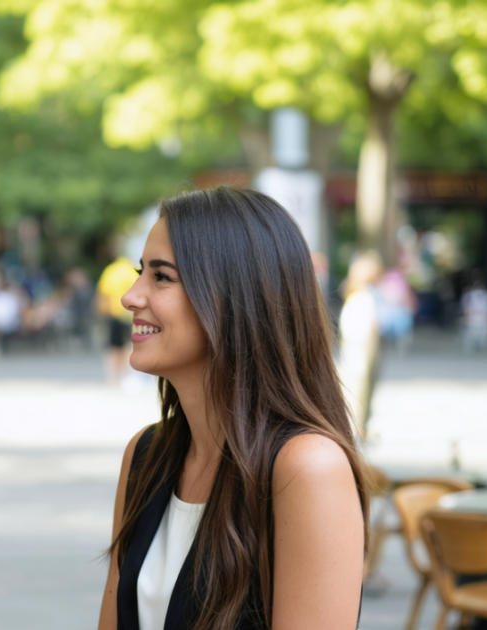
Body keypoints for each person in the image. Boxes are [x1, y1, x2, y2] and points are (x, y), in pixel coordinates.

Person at [99, 187, 368, 630]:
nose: (131, 296)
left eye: (161, 277)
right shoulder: (145, 454)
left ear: (234, 296)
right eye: (139, 272)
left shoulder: (307, 468)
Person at [338, 251, 384, 436]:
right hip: (361, 349)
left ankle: (360, 425)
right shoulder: (363, 297)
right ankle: (357, 426)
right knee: (359, 386)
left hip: (358, 347)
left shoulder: (357, 294)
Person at [97, 254, 139, 384]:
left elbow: (103, 295)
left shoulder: (110, 271)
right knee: (129, 345)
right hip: (131, 314)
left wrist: (103, 313)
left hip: (114, 314)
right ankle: (129, 375)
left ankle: (114, 379)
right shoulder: (134, 270)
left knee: (113, 347)